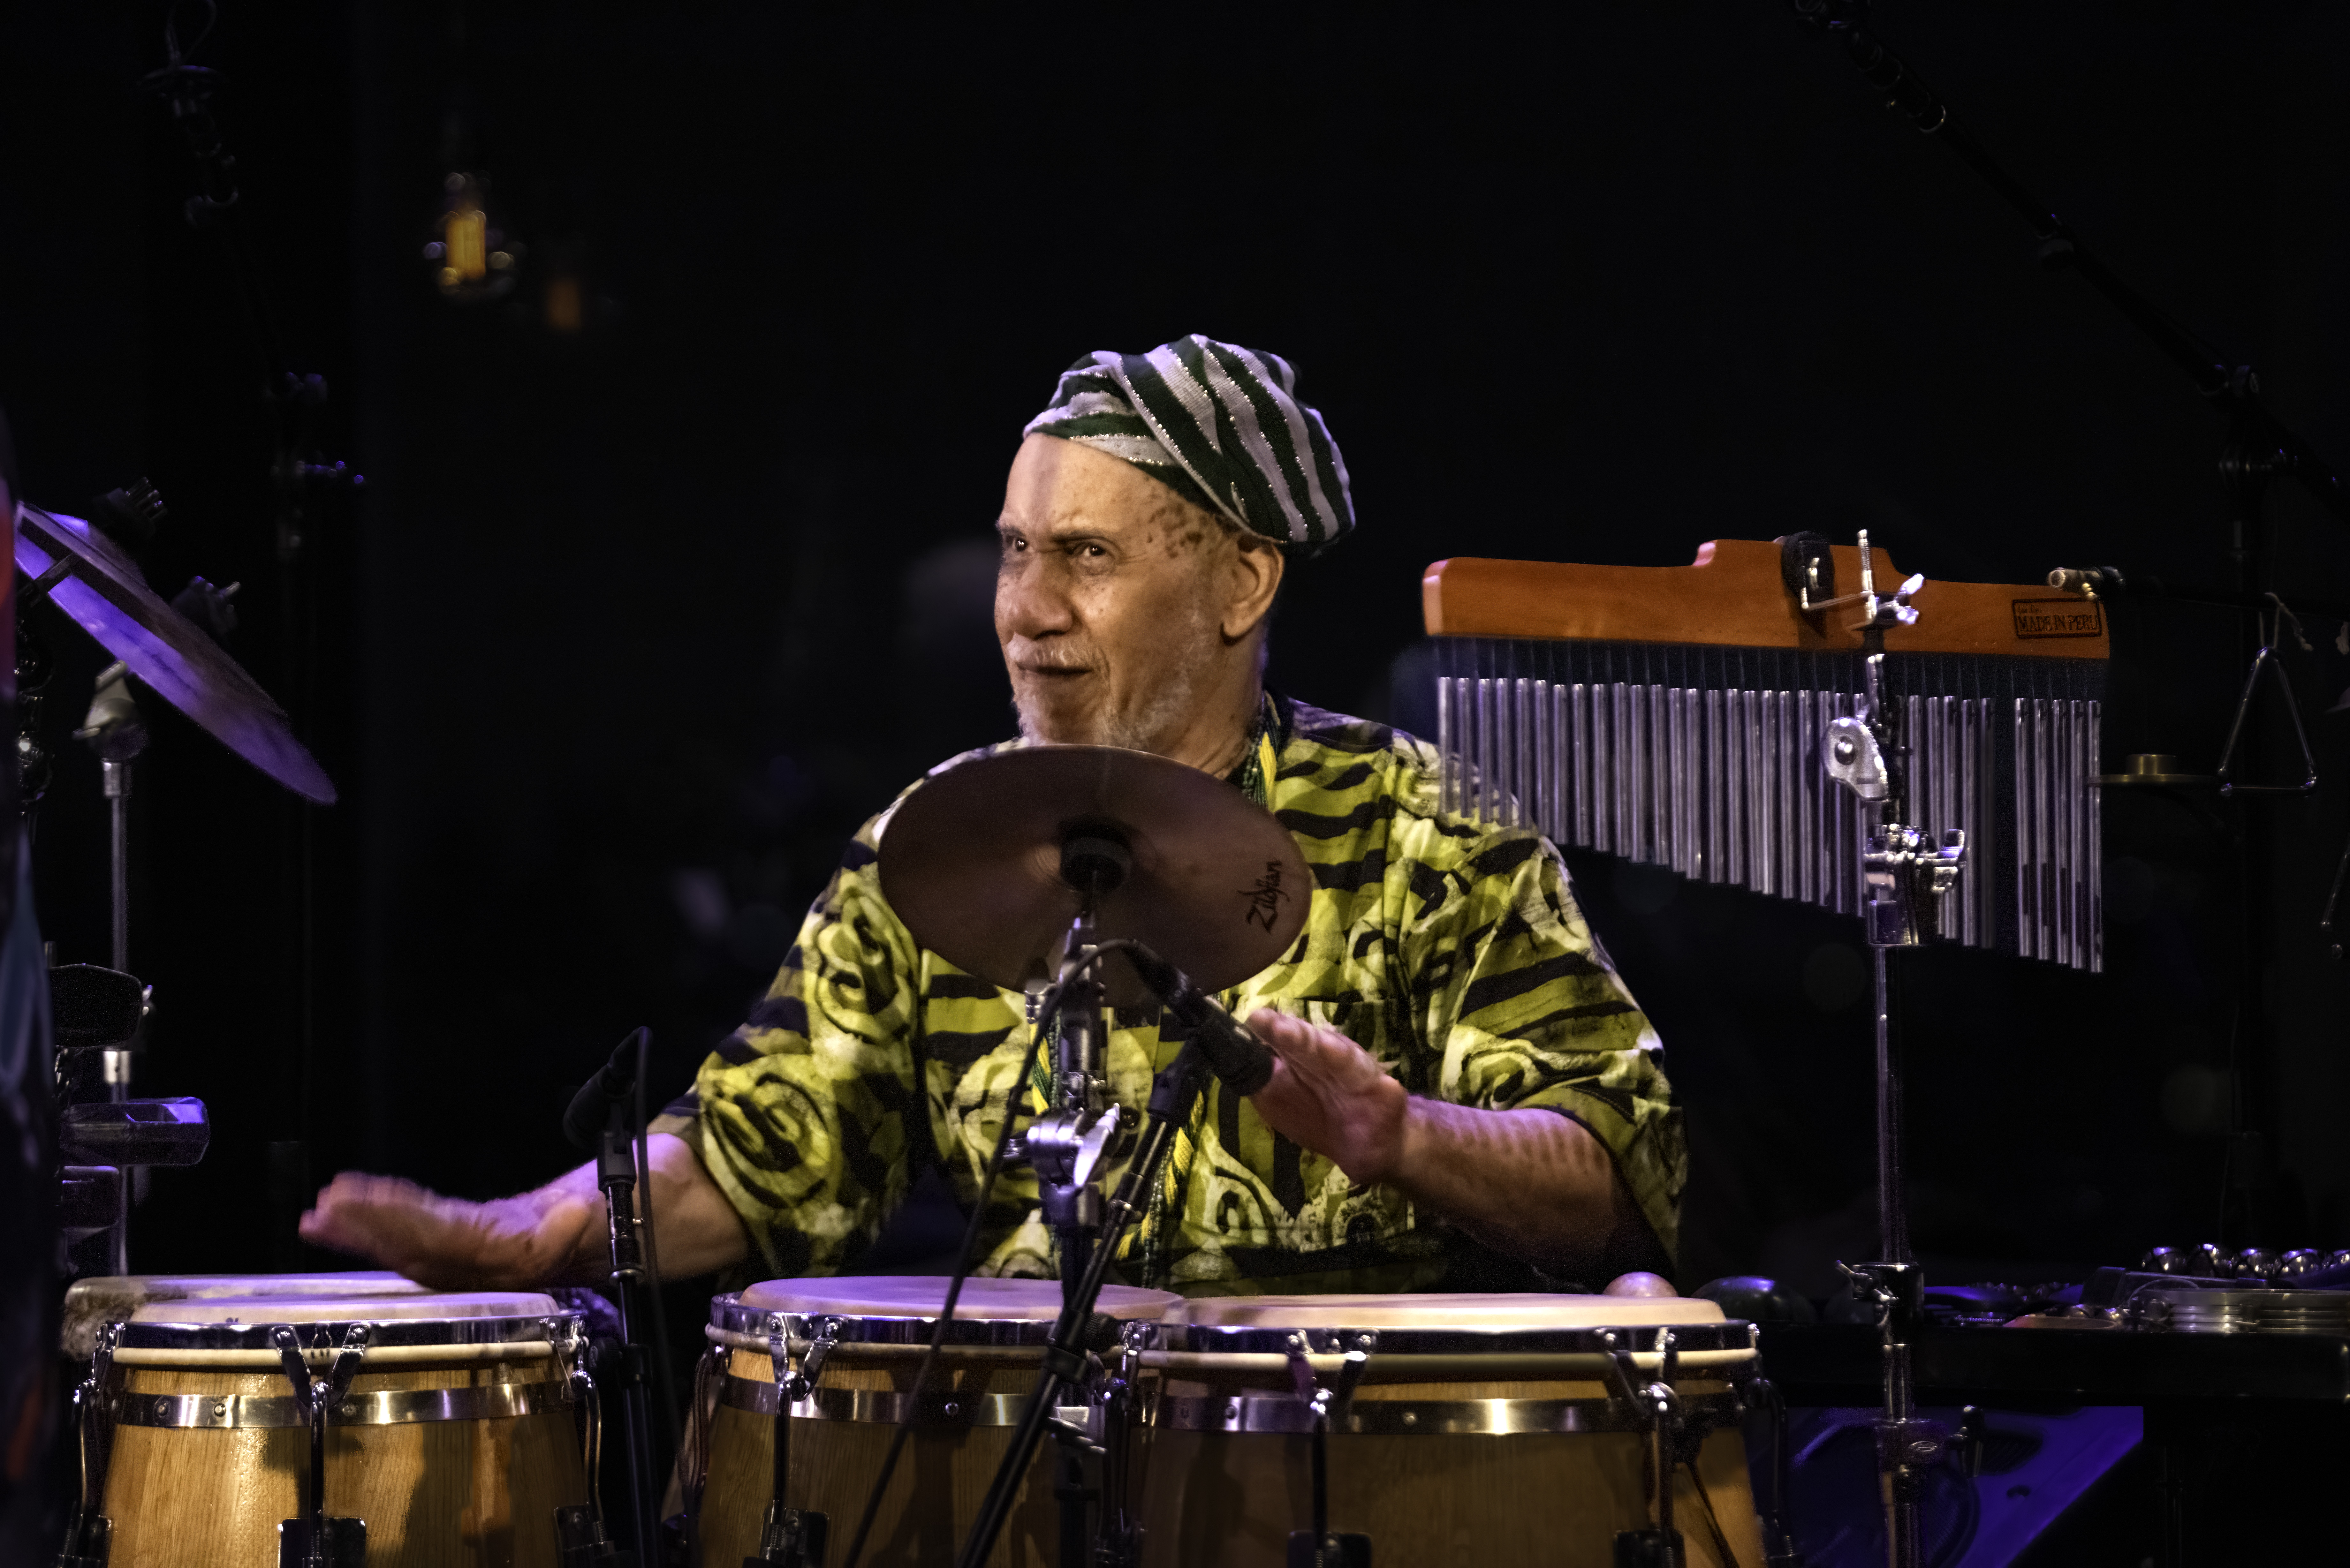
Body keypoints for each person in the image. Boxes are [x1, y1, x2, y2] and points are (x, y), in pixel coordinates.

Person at [304, 335, 1685, 1296]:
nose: (1023, 612)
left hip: (1356, 1484)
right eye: (1018, 552)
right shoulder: (934, 838)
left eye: (1085, 556)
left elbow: (1617, 1173)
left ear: (1241, 584)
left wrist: (1407, 1137)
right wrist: (522, 1235)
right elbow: (757, 1147)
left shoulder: (1421, 827)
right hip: (1027, 1459)